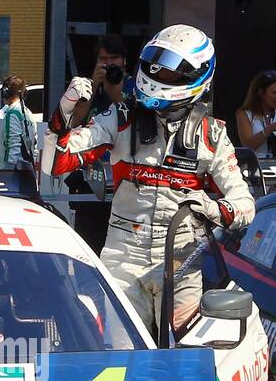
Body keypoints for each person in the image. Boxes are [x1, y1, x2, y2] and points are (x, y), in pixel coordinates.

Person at [50, 24, 254, 336]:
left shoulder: (212, 135)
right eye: (154, 65)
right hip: (123, 258)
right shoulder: (121, 118)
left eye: (170, 71)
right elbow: (56, 162)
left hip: (182, 261)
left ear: (196, 75)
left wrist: (209, 209)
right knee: (120, 353)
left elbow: (244, 207)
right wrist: (65, 110)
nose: (159, 74)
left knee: (184, 354)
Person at [49, 33, 132, 254]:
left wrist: (116, 92)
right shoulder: (86, 87)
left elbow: (131, 122)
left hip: (124, 179)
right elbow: (74, 122)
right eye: (103, 59)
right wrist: (94, 86)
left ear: (124, 61)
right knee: (89, 246)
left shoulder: (135, 87)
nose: (109, 63)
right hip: (90, 178)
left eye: (114, 58)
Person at [235, 70, 276, 158]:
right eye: (275, 92)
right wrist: (270, 129)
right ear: (261, 93)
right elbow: (248, 146)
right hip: (255, 165)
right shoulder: (244, 115)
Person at [0, 75, 36, 170]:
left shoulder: (12, 113)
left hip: (13, 168)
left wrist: (9, 169)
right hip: (26, 165)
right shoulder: (28, 113)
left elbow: (13, 143)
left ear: (6, 92)